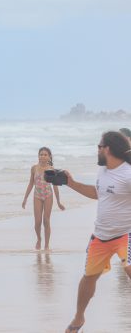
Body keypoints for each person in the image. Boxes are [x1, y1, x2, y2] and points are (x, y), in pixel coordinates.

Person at [63, 131, 131, 333]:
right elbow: (98, 193)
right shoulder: (103, 172)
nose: (97, 150)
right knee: (89, 277)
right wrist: (71, 183)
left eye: (99, 146)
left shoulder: (128, 174)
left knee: (129, 268)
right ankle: (78, 319)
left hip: (126, 233)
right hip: (100, 236)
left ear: (107, 149)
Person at [21, 147, 66, 250]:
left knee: (46, 221)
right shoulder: (34, 168)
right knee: (37, 223)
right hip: (37, 195)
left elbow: (55, 186)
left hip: (48, 195)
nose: (43, 156)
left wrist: (59, 202)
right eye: (41, 154)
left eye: (45, 154)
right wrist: (25, 199)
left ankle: (46, 245)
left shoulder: (51, 169)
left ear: (49, 157)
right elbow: (31, 183)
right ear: (38, 156)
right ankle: (39, 239)